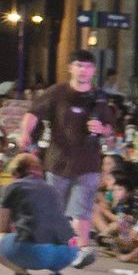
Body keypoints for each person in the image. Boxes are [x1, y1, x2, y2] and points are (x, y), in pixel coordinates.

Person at [17, 50, 117, 247]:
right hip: (58, 163)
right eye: (79, 66)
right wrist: (25, 133)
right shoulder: (57, 93)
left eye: (88, 67)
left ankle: (81, 251)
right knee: (55, 208)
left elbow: (111, 131)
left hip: (88, 164)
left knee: (82, 211)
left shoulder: (99, 98)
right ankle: (52, 247)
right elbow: (33, 114)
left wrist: (102, 129)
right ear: (70, 68)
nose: (83, 71)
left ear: (94, 70)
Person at [0, 153, 94, 275]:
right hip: (68, 251)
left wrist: (13, 226)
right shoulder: (53, 190)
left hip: (35, 252)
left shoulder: (13, 187)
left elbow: (0, 227)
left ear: (16, 172)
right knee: (52, 236)